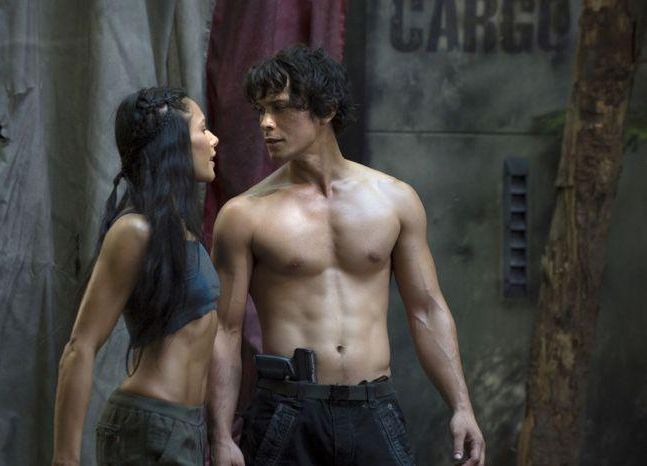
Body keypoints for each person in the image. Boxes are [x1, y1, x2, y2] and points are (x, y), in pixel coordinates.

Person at [208, 45, 485, 466]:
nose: (265, 123)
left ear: (327, 109)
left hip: (373, 408)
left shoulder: (394, 200)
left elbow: (427, 309)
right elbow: (224, 331)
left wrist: (462, 406)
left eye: (280, 108)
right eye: (260, 110)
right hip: (287, 411)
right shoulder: (244, 215)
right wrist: (220, 435)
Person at [52, 87, 220, 466]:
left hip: (186, 427)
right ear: (173, 144)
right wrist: (65, 459)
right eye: (202, 129)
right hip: (149, 428)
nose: (214, 140)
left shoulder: (179, 228)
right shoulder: (134, 230)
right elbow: (80, 346)